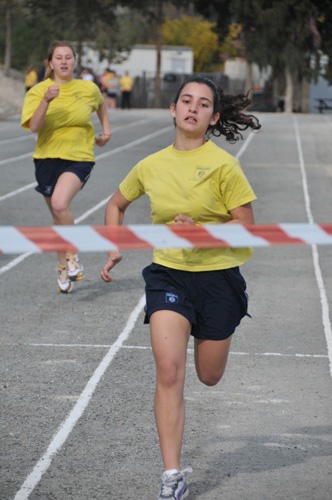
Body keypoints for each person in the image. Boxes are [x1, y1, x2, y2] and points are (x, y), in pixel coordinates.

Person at [100, 75, 261, 499]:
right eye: (185, 101)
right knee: (169, 370)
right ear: (173, 110)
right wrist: (115, 247)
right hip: (168, 274)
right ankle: (171, 476)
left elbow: (247, 226)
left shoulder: (225, 165)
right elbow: (115, 204)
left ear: (213, 117)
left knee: (208, 376)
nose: (192, 108)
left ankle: (216, 333)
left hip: (219, 279)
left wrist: (202, 230)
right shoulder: (150, 165)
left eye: (203, 104)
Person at [21, 40, 112, 293]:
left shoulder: (88, 87)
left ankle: (72, 255)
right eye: (58, 57)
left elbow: (101, 105)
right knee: (58, 217)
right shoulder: (39, 91)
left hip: (79, 156)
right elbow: (35, 127)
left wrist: (106, 131)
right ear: (50, 63)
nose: (63, 61)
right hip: (46, 159)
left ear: (74, 61)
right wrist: (46, 101)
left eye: (68, 57)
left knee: (61, 204)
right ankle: (62, 265)